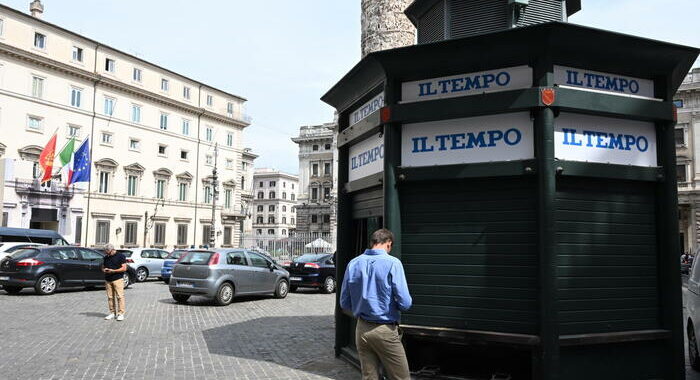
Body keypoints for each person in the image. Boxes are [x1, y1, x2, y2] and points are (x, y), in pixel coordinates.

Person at [340, 229, 412, 380]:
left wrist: (362, 308)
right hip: (385, 329)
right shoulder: (393, 263)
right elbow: (405, 303)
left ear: (372, 242)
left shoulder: (353, 263)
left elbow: (344, 302)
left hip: (361, 329)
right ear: (388, 244)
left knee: (369, 377)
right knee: (401, 377)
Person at [102, 244, 127, 321]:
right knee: (110, 297)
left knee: (120, 296)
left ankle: (121, 313)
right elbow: (102, 266)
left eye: (108, 252)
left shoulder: (121, 256)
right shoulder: (106, 257)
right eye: (106, 253)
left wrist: (114, 271)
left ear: (112, 250)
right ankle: (112, 313)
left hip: (118, 279)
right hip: (108, 279)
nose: (107, 254)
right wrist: (103, 269)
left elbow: (124, 268)